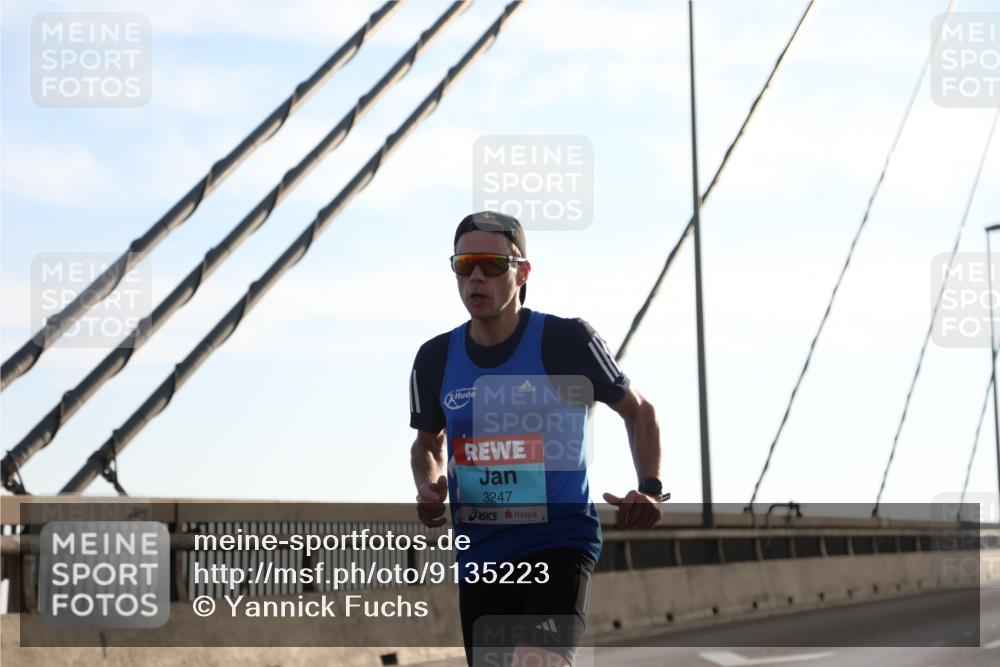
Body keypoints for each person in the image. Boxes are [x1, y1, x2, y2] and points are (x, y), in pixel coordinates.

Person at [409, 211, 665, 666]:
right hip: (481, 557)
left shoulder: (568, 341)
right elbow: (428, 442)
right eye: (465, 264)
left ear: (523, 272)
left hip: (559, 544)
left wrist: (649, 487)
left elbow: (639, 410)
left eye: (492, 264)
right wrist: (428, 486)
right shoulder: (434, 358)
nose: (476, 277)